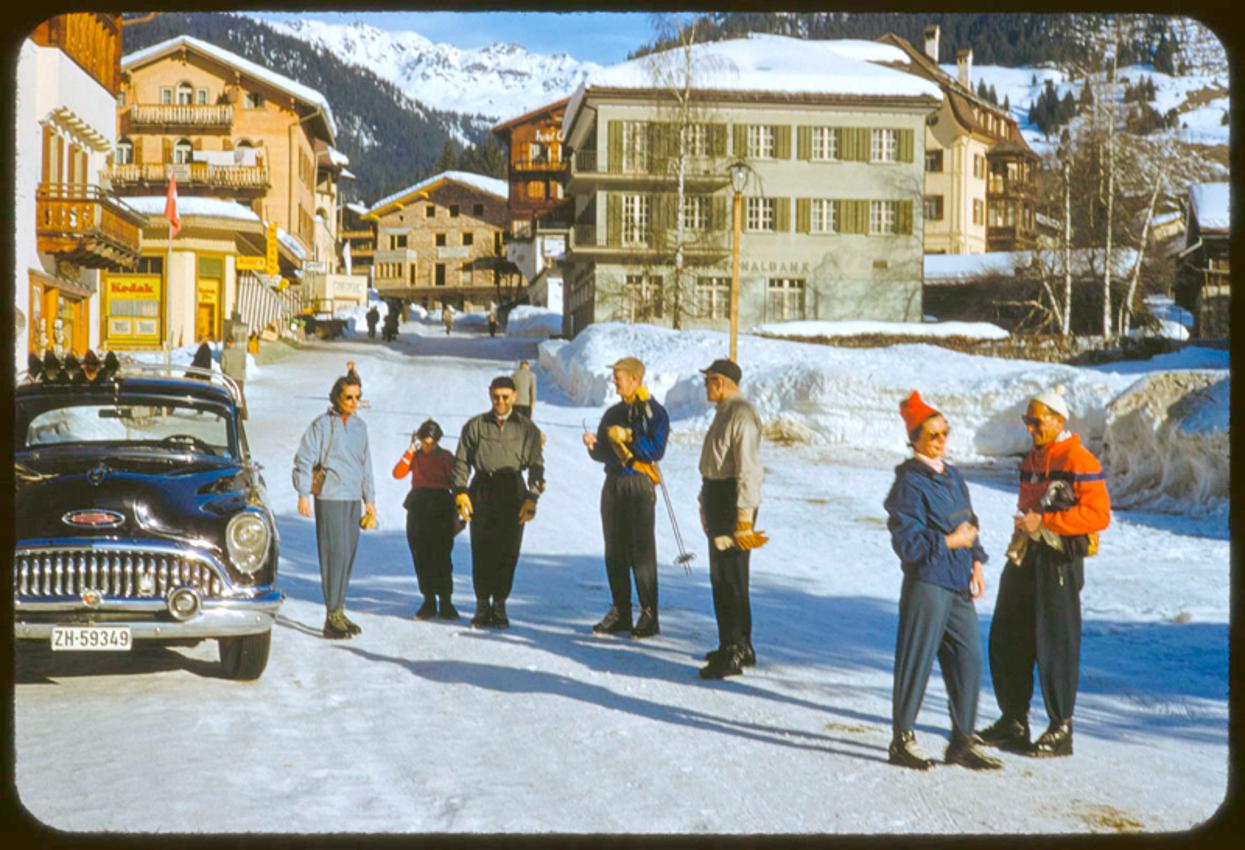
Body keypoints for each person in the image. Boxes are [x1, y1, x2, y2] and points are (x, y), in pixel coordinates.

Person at [977, 385, 1111, 758]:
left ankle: (1061, 727)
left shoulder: (1079, 460)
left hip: (1059, 560)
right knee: (1007, 633)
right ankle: (1014, 720)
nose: (1031, 428)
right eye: (1027, 421)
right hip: (1027, 554)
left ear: (1058, 420)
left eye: (1037, 422)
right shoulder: (1033, 459)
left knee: (1056, 641)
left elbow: (1099, 515)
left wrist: (1046, 520)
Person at [883, 391, 1002, 771]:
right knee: (916, 658)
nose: (941, 440)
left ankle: (962, 741)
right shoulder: (909, 483)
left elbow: (970, 522)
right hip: (928, 581)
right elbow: (907, 542)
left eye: (945, 432)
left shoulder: (952, 476)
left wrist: (977, 562)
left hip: (957, 581)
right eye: (933, 435)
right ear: (915, 438)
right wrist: (951, 542)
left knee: (968, 659)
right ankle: (902, 738)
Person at [582, 357, 670, 639]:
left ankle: (649, 614)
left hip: (639, 483)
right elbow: (604, 454)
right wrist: (594, 447)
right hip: (614, 483)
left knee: (641, 551)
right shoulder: (613, 412)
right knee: (614, 549)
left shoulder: (654, 412)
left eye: (618, 377)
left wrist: (629, 436)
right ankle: (621, 611)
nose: (614, 381)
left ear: (635, 379)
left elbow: (656, 450)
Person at [452, 376, 545, 629]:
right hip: (482, 488)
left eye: (505, 396)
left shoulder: (527, 428)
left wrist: (532, 498)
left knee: (508, 549)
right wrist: (460, 492)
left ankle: (500, 604)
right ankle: (482, 605)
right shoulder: (475, 425)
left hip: (512, 489)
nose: (500, 401)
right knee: (481, 548)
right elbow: (461, 461)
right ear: (489, 394)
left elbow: (537, 465)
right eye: (496, 396)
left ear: (515, 396)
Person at [696, 358, 767, 679]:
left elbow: (748, 470)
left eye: (708, 380)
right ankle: (738, 644)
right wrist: (704, 501)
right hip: (718, 498)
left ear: (720, 382)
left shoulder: (741, 416)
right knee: (724, 577)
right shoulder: (725, 412)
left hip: (731, 503)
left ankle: (734, 650)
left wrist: (744, 519)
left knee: (730, 579)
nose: (705, 387)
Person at [292, 371, 377, 639]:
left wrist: (370, 500)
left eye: (357, 398)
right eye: (348, 397)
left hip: (352, 497)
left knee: (348, 555)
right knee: (334, 555)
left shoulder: (360, 427)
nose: (353, 402)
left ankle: (339, 609)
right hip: (330, 496)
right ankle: (331, 616)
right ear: (336, 397)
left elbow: (366, 466)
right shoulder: (322, 425)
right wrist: (303, 493)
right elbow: (305, 458)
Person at [393, 419, 459, 620]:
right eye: (424, 442)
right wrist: (410, 450)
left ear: (438, 441)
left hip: (440, 505)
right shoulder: (415, 456)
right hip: (418, 504)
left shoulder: (446, 457)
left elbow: (456, 483)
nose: (427, 446)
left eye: (431, 442)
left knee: (441, 554)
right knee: (420, 553)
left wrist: (459, 513)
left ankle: (446, 601)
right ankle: (429, 600)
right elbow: (398, 473)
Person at [220, 335, 248, 419]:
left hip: (228, 376)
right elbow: (244, 365)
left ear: (228, 343)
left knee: (225, 394)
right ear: (234, 342)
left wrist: (225, 371)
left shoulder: (225, 352)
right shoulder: (241, 352)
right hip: (239, 376)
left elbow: (222, 366)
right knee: (240, 395)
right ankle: (244, 414)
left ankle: (222, 413)